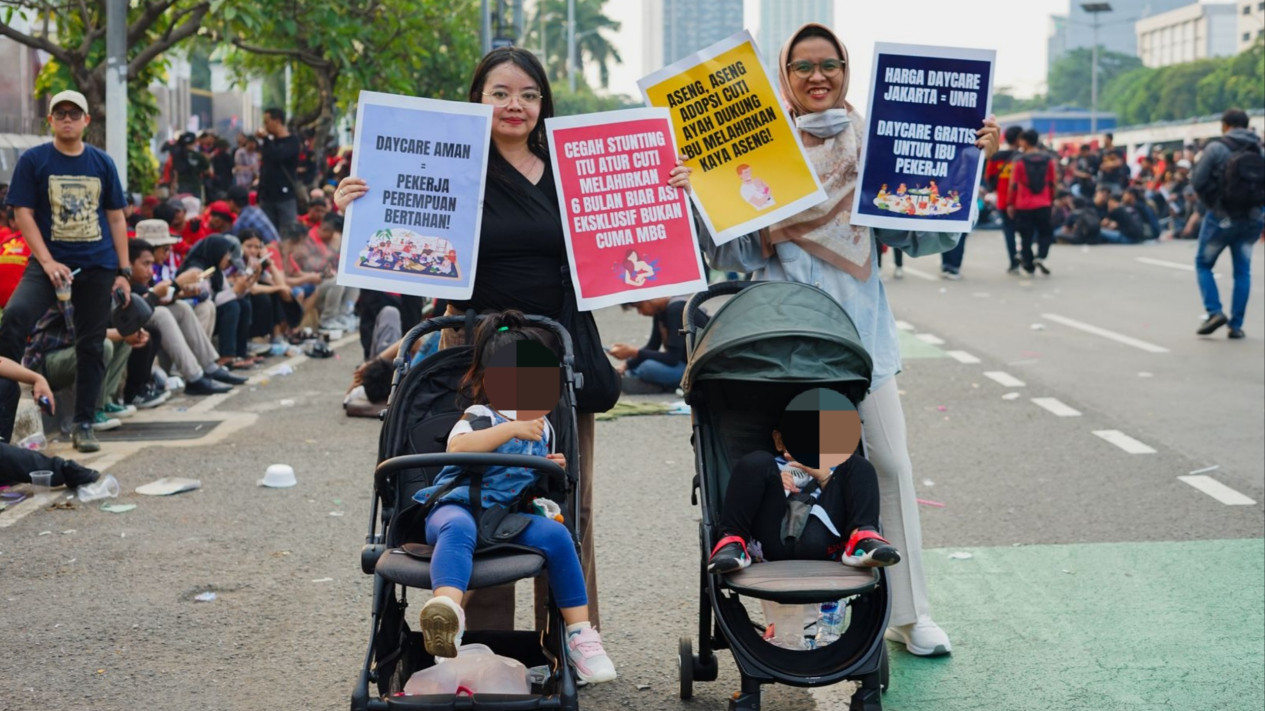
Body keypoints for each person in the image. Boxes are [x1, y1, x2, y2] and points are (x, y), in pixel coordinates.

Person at [334, 47, 694, 633]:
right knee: (481, 496)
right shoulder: (448, 167)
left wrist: (670, 191)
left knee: (564, 498)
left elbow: (633, 242)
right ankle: (484, 643)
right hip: (476, 355)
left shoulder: (574, 169)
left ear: (543, 104)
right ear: (477, 99)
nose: (514, 106)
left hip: (556, 350)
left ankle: (573, 641)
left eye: (528, 95)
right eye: (499, 93)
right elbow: (395, 238)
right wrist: (356, 206)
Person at [699, 24, 999, 658]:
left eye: (829, 64)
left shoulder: (879, 145)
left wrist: (967, 165)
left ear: (845, 71)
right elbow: (732, 252)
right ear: (785, 76)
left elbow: (925, 237)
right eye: (803, 66)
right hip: (781, 346)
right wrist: (702, 193)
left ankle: (912, 615)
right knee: (791, 477)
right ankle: (789, 621)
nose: (817, 76)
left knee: (888, 465)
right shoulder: (760, 150)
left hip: (861, 343)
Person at [411, 311, 616, 684]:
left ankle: (580, 636)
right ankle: (448, 615)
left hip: (506, 517)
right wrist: (509, 431)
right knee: (457, 529)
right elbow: (458, 448)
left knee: (558, 536)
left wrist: (550, 465)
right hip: (456, 506)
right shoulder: (480, 415)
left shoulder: (544, 427)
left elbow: (532, 484)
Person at [0, 89, 132, 449]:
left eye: (75, 114)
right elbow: (21, 213)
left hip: (98, 264)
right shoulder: (35, 160)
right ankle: (3, 423)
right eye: (61, 114)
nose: (68, 119)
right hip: (47, 263)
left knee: (91, 343)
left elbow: (116, 218)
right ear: (51, 121)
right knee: (15, 316)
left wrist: (124, 270)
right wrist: (46, 261)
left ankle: (84, 423)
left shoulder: (102, 163)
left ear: (87, 121)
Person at [708, 388, 901, 573]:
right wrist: (776, 483)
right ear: (780, 441)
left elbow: (843, 500)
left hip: (826, 538)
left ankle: (861, 537)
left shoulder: (838, 470)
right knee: (755, 461)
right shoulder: (769, 467)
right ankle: (732, 540)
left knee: (859, 465)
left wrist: (825, 478)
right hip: (772, 535)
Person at [127, 239, 239, 395]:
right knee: (162, 314)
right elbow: (140, 306)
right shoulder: (123, 279)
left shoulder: (157, 270)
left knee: (183, 308)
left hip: (151, 318)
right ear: (129, 263)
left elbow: (159, 298)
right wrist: (176, 284)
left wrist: (180, 292)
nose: (150, 270)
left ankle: (209, 366)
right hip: (130, 325)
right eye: (145, 264)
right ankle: (194, 377)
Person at [1191, 108, 1264, 339]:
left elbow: (1198, 181)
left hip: (1221, 218)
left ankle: (1214, 312)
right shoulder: (1259, 150)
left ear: (1226, 125)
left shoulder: (1216, 148)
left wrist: (1213, 205)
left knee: (1204, 264)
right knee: (1242, 271)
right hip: (1251, 219)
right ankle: (1236, 325)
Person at [608, 296, 704, 394]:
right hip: (681, 362)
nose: (640, 312)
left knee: (646, 367)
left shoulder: (675, 310)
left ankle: (656, 384)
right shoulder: (660, 312)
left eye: (640, 307)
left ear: (651, 298)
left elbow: (672, 358)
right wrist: (626, 365)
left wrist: (634, 353)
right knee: (638, 365)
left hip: (697, 368)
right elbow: (652, 346)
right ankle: (643, 380)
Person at [1007, 129, 1056, 276]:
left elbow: (1013, 184)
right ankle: (1041, 256)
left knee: (1025, 235)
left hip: (1024, 204)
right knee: (1045, 232)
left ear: (1025, 141)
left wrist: (1010, 203)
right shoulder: (1048, 160)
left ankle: (1028, 264)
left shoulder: (1020, 161)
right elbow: (1053, 182)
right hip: (1044, 202)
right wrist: (1051, 200)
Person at [986, 126, 1024, 273]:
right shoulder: (1022, 157)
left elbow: (989, 177)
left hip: (1003, 200)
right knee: (1026, 231)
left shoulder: (996, 156)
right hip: (1022, 201)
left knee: (1009, 232)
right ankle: (1025, 257)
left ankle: (1014, 262)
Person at [257, 108, 301, 232]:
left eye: (267, 122)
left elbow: (278, 155)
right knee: (268, 234)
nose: (265, 126)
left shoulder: (292, 141)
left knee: (289, 233)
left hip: (285, 196)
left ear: (277, 121)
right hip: (267, 197)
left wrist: (266, 139)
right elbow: (265, 168)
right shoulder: (269, 143)